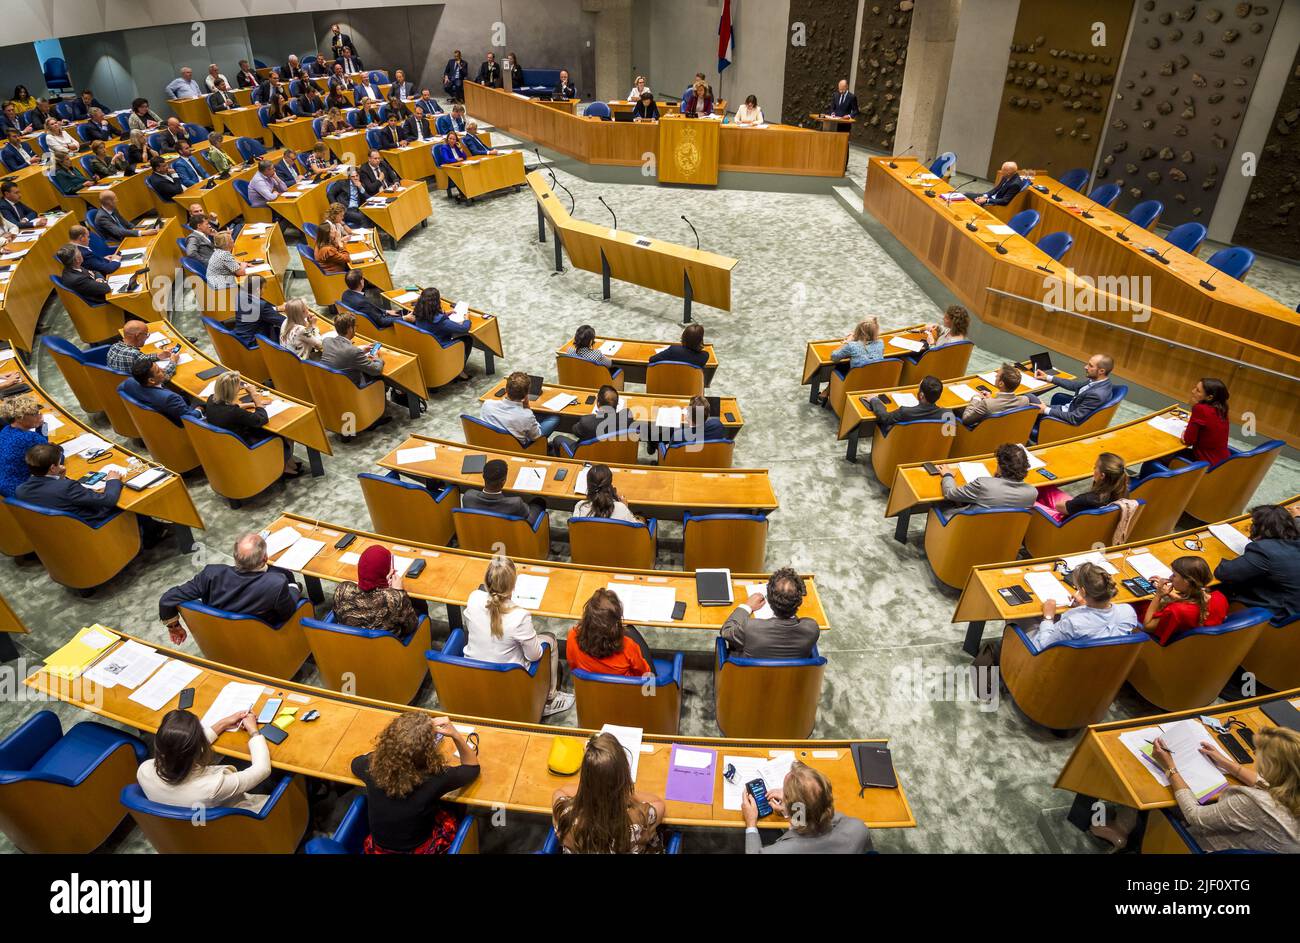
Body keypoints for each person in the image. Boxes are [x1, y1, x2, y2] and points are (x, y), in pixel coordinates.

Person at [1147, 726, 1300, 854]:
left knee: (1151, 797)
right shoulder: (1293, 783)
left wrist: (1170, 768)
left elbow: (1194, 815)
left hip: (1202, 845)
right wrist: (1225, 762)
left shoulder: (1254, 804)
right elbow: (1265, 783)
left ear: (1275, 770)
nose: (1254, 754)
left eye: (1261, 756)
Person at [351, 712, 480, 854]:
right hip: (420, 850)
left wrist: (388, 751)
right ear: (428, 752)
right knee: (455, 802)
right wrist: (455, 734)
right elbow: (472, 768)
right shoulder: (435, 777)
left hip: (378, 850)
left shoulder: (371, 767)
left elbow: (355, 763)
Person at [464, 556, 574, 715]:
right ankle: (550, 698)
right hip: (510, 679)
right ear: (513, 585)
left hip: (475, 672)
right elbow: (535, 656)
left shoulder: (473, 597)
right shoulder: (520, 616)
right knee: (550, 638)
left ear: (486, 581)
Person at [159, 532, 301, 641]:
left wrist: (174, 627)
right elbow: (287, 613)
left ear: (235, 557)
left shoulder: (211, 574)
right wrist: (294, 587)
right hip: (264, 638)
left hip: (221, 639)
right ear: (265, 558)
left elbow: (167, 598)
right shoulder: (276, 583)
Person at [137, 708, 271, 812]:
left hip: (193, 825)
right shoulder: (213, 787)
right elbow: (262, 769)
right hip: (238, 820)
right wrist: (254, 731)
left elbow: (180, 749)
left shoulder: (144, 770)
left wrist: (223, 724)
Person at [552, 731, 665, 854]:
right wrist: (623, 791)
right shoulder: (639, 817)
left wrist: (593, 788)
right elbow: (659, 803)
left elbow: (561, 791)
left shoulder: (564, 813)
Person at [743, 761, 872, 854]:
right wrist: (794, 806)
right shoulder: (858, 828)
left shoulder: (778, 850)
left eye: (786, 794)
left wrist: (751, 824)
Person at [204, 370, 301, 476]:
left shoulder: (211, 399)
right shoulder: (235, 413)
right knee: (281, 432)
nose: (241, 387)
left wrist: (252, 404)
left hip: (229, 442)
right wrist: (255, 397)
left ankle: (289, 463)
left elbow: (231, 408)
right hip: (244, 444)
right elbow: (261, 419)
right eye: (239, 385)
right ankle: (284, 467)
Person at [1214, 504, 1300, 621]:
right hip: (1294, 609)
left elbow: (1223, 573)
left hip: (1275, 612)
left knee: (1217, 588)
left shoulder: (1264, 551)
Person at [1031, 562, 1140, 650]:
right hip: (1103, 665)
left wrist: (1048, 618)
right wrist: (1083, 607)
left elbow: (1043, 646)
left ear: (1082, 592)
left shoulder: (1072, 623)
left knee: (1023, 622)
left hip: (1046, 658)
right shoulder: (1128, 611)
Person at [14, 443, 123, 526]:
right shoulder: (67, 487)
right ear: (52, 468)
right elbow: (108, 500)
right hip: (90, 526)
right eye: (58, 462)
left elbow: (53, 496)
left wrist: (61, 478)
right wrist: (112, 480)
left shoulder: (20, 490)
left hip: (58, 530)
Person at [720, 567, 819, 659]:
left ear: (769, 600)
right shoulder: (812, 628)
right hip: (791, 676)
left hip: (749, 675)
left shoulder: (751, 627)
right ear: (799, 602)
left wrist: (747, 607)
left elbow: (726, 631)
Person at [333, 544, 419, 637]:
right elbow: (411, 626)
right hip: (391, 648)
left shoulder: (342, 589)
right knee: (419, 604)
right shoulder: (395, 599)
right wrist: (399, 592)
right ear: (386, 572)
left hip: (351, 645)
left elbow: (338, 617)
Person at [1140, 556, 1228, 646]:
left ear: (1187, 582)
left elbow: (1147, 626)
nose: (1170, 578)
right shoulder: (1219, 597)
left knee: (1137, 604)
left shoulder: (1176, 610)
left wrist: (1158, 595)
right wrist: (1171, 594)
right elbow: (1194, 604)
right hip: (1198, 647)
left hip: (1160, 646)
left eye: (1174, 575)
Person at [566, 588, 653, 677]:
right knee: (631, 630)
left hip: (590, 689)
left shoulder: (572, 636)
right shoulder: (628, 647)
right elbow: (644, 674)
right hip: (623, 689)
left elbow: (573, 666)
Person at [1031, 353, 1115, 432]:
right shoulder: (1100, 381)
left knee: (1027, 405)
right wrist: (1048, 377)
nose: (1085, 367)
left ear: (1101, 371)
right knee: (1029, 399)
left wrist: (1045, 409)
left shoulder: (1097, 394)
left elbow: (1074, 418)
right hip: (1065, 409)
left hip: (1062, 420)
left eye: (1090, 366)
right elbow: (1075, 386)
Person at [1036, 451, 1129, 520]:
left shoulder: (1087, 499)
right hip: (1081, 518)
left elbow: (1059, 507)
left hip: (1061, 524)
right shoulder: (1123, 492)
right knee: (1046, 487)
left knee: (1027, 501)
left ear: (1102, 475)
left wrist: (1059, 505)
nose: (1094, 469)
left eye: (1096, 467)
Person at [550, 383, 636, 457]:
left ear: (598, 403)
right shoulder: (627, 416)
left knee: (558, 438)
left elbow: (575, 431)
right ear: (617, 404)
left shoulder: (586, 422)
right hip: (615, 453)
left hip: (587, 455)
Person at [480, 371, 558, 447]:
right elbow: (536, 437)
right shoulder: (526, 416)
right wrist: (527, 408)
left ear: (506, 390)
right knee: (554, 418)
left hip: (491, 443)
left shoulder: (487, 404)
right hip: (518, 448)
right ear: (527, 394)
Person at [461, 458, 547, 526]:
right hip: (510, 535)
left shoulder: (468, 496)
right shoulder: (516, 503)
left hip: (481, 532)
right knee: (539, 502)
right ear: (503, 481)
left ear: (483, 476)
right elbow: (526, 517)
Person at [408, 287, 471, 379]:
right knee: (467, 339)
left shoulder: (418, 313)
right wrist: (467, 319)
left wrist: (445, 315)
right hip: (440, 348)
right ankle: (459, 370)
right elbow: (463, 328)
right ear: (436, 302)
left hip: (426, 347)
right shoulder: (440, 321)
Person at [119, 358, 199, 426]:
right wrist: (200, 409)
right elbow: (189, 418)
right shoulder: (169, 398)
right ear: (151, 380)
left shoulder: (129, 382)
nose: (162, 369)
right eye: (158, 371)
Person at [321, 311, 384, 388]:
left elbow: (342, 354)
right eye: (355, 326)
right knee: (381, 377)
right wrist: (378, 358)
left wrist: (362, 350)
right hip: (351, 389)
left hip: (330, 383)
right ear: (350, 328)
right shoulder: (354, 352)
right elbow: (376, 370)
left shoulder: (327, 341)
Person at [0, 395, 46, 498]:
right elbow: (51, 457)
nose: (39, 416)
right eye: (34, 414)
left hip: (3, 487)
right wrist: (42, 426)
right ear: (19, 418)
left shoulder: (5, 430)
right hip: (20, 491)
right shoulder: (29, 438)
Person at [961, 362, 1033, 428]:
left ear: (1001, 383)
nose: (995, 376)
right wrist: (990, 399)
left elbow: (966, 420)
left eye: (997, 375)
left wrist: (976, 399)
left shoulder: (987, 404)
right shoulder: (1025, 400)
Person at [1179, 378, 1230, 467]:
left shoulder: (1200, 409)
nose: (1192, 391)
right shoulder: (1222, 410)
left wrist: (1185, 433)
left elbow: (1188, 440)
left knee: (1161, 456)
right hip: (1223, 463)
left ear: (1209, 397)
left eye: (1198, 391)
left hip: (1205, 464)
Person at [866, 374, 948, 429]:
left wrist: (874, 400)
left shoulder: (905, 412)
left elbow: (885, 418)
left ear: (921, 395)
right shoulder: (946, 413)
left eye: (918, 388)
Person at [572, 464, 639, 523]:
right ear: (610, 485)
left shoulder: (580, 506)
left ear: (589, 486)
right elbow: (638, 530)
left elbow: (574, 528)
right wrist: (627, 509)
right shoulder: (621, 508)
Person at [233, 274, 286, 347]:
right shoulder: (261, 305)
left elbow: (259, 310)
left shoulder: (239, 296)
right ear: (258, 289)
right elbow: (283, 322)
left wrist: (277, 308)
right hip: (254, 342)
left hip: (240, 337)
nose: (265, 290)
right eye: (264, 287)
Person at [108, 319, 175, 376]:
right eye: (146, 334)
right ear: (138, 336)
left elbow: (141, 359)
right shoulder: (135, 355)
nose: (147, 337)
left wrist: (158, 356)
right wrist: (173, 362)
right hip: (141, 388)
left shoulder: (114, 347)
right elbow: (160, 378)